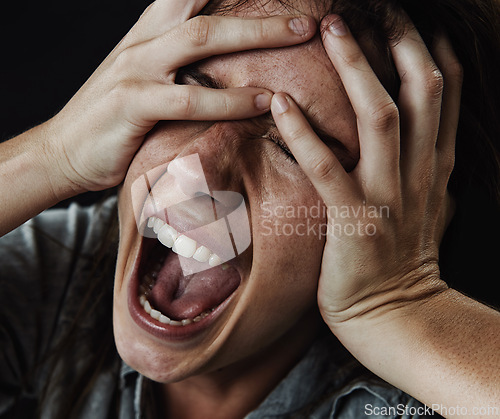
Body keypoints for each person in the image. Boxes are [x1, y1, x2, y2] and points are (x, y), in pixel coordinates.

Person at [1, 0, 499, 418]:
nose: (199, 173)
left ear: (413, 212)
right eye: (192, 96)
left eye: (297, 149)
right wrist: (50, 158)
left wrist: (399, 301)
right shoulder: (65, 269)